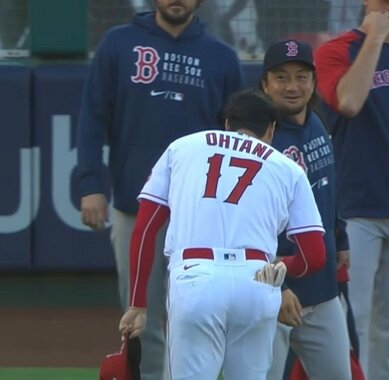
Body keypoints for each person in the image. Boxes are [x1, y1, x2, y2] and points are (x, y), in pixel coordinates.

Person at [76, 1, 242, 379]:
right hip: (135, 206)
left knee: (196, 318)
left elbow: (235, 143)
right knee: (141, 319)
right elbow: (92, 118)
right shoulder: (118, 44)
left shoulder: (221, 57)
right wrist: (91, 184)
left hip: (199, 216)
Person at [117, 90, 328, 380]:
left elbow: (144, 229)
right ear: (271, 130)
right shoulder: (288, 168)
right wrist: (282, 268)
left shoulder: (183, 147)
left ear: (227, 124)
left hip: (195, 278)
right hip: (256, 280)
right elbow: (314, 256)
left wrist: (138, 304)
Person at [314, 1, 389, 378]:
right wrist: (375, 38)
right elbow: (349, 101)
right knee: (356, 320)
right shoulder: (335, 50)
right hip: (356, 210)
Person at [258, 39, 352, 380]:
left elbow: (328, 189)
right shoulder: (259, 139)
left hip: (322, 290)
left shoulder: (316, 123)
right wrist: (277, 288)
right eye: (281, 77)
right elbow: (247, 223)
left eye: (301, 76)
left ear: (313, 82)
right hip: (271, 294)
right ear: (265, 84)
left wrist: (340, 238)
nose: (292, 86)